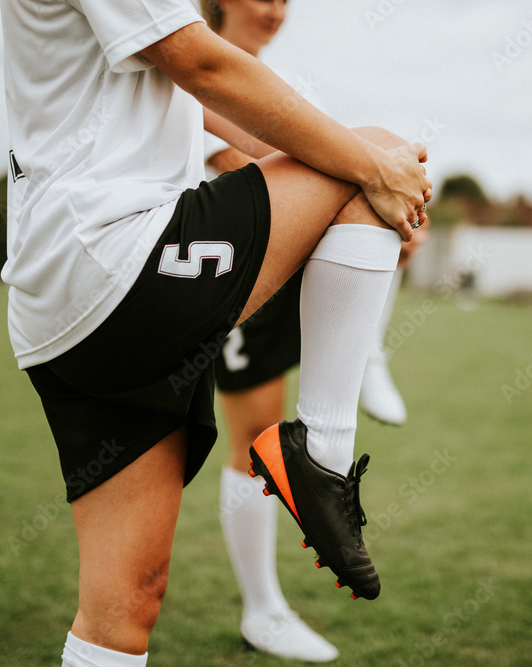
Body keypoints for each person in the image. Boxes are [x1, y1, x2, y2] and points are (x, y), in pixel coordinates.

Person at [0, 1, 432, 664]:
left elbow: (205, 103)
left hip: (66, 301)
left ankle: (339, 415)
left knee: (123, 606)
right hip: (116, 257)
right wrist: (373, 171)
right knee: (370, 143)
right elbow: (200, 64)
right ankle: (324, 455)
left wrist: (378, 195)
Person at [200, 2, 426, 660]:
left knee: (386, 194)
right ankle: (262, 609)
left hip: (288, 256)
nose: (273, 8)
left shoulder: (287, 84)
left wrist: (387, 203)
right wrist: (354, 176)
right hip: (225, 260)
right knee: (252, 441)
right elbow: (242, 160)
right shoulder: (192, 70)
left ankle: (368, 354)